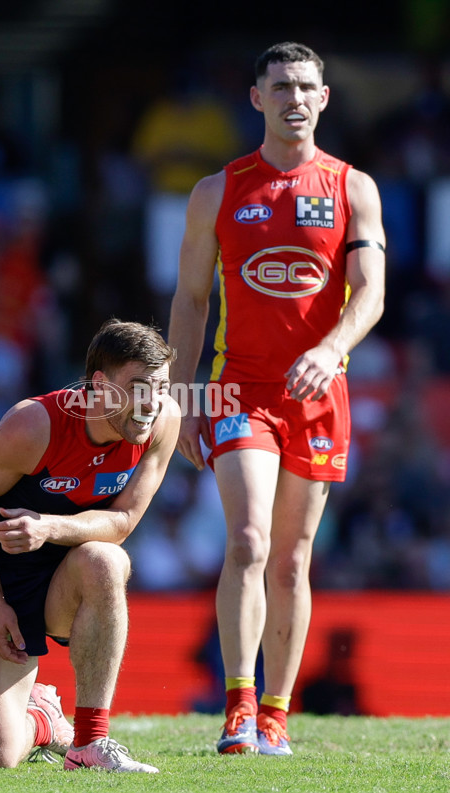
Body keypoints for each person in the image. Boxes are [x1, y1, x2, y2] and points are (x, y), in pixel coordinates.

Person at [168, 42, 385, 756]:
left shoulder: (353, 188)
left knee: (292, 560)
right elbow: (193, 298)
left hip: (319, 392)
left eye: (306, 86)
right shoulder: (217, 191)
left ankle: (275, 715)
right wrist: (182, 390)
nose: (295, 97)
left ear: (324, 98)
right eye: (281, 85)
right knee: (249, 539)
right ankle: (235, 706)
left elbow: (372, 292)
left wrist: (329, 349)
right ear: (256, 97)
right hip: (240, 389)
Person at [0, 319, 180, 772]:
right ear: (101, 384)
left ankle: (89, 742)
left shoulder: (163, 421)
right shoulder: (34, 425)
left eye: (161, 387)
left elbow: (124, 520)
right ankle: (44, 718)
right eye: (139, 387)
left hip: (69, 580)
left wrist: (48, 528)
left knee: (106, 559)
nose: (151, 403)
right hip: (5, 581)